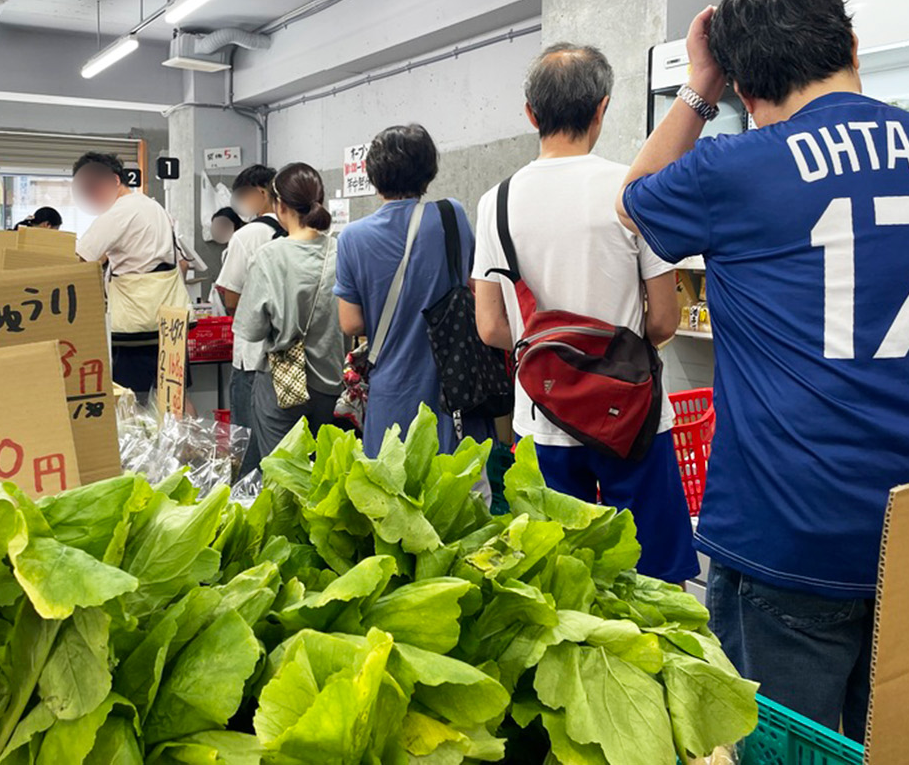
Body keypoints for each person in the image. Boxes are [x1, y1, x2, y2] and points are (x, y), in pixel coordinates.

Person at [616, 0, 909, 740]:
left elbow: (633, 201)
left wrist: (697, 87)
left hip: (791, 526)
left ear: (744, 88)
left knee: (789, 748)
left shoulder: (735, 170)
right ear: (853, 44)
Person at [472, 43, 698, 586]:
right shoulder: (633, 190)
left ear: (531, 114)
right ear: (602, 108)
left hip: (543, 420)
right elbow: (665, 320)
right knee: (653, 584)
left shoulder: (496, 201)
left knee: (563, 586)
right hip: (634, 420)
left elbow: (492, 327)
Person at [335, 124, 494, 455]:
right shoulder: (452, 215)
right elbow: (474, 287)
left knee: (392, 493)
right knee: (456, 494)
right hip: (454, 387)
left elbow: (350, 323)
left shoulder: (352, 237)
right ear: (429, 171)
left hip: (392, 391)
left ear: (374, 176)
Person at [233, 163, 346, 459]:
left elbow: (251, 329)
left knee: (284, 473)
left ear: (279, 205)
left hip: (280, 381)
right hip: (330, 379)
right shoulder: (341, 251)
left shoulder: (269, 257)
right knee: (322, 469)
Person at [73, 152, 189, 396]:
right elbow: (182, 263)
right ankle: (185, 435)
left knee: (129, 400)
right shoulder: (152, 206)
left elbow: (80, 260)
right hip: (170, 321)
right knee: (174, 397)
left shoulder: (119, 212)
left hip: (136, 326)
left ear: (115, 181)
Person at [216, 163, 283, 444]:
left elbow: (230, 296)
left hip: (253, 355)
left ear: (260, 193)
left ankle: (250, 489)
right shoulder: (301, 230)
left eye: (242, 197)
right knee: (281, 439)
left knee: (248, 440)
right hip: (291, 355)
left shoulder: (247, 235)